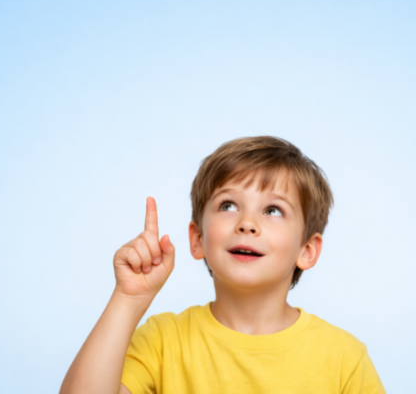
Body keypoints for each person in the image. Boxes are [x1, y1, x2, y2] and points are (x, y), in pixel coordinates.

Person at [60, 136, 385, 393]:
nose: (247, 223)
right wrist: (128, 299)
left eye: (273, 210)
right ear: (198, 239)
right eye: (228, 205)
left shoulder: (344, 359)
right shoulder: (162, 341)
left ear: (308, 250)